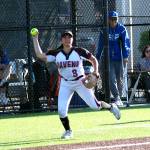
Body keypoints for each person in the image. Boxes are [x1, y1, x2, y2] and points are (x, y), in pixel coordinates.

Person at [31, 29, 121, 139]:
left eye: (69, 37)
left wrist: (96, 72)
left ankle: (111, 107)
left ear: (72, 39)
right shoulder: (56, 53)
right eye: (65, 37)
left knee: (95, 106)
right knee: (61, 111)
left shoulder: (79, 51)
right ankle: (68, 131)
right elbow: (40, 55)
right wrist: (35, 39)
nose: (67, 39)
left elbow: (93, 59)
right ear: (61, 40)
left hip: (80, 82)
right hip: (65, 84)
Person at [96, 11, 130, 106]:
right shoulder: (104, 30)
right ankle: (116, 97)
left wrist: (126, 55)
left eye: (115, 19)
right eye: (112, 19)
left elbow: (125, 43)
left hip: (119, 58)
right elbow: (100, 45)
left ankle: (119, 98)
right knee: (111, 78)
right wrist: (97, 57)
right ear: (108, 20)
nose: (114, 21)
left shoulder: (122, 29)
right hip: (108, 58)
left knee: (120, 79)